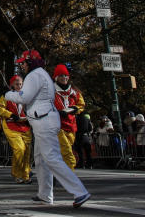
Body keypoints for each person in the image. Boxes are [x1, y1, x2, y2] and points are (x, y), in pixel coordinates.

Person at [6, 49, 90, 208]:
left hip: (44, 121)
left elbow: (24, 97)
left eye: (23, 63)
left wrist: (8, 94)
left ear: (30, 62)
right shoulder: (40, 74)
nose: (21, 66)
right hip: (43, 121)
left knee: (51, 157)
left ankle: (80, 192)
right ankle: (45, 195)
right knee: (40, 158)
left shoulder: (34, 75)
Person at [53, 64, 85, 170]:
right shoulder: (50, 91)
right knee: (68, 154)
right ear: (56, 77)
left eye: (66, 75)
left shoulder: (74, 92)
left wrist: (76, 109)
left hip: (71, 126)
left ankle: (54, 172)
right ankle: (70, 179)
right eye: (61, 76)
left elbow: (81, 105)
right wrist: (57, 112)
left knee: (64, 151)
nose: (64, 78)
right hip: (57, 126)